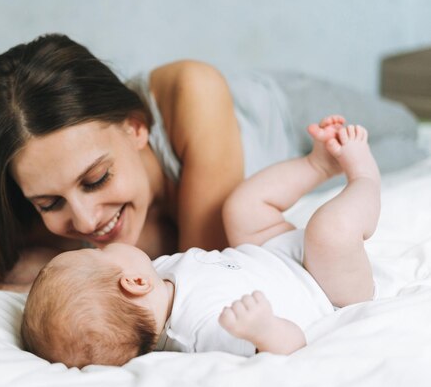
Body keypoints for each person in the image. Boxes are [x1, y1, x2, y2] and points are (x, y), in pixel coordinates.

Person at [0, 33, 422, 290]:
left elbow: (205, 261)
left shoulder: (189, 89)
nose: (84, 219)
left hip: (296, 119)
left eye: (96, 178)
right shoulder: (48, 215)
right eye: (49, 202)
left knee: (410, 134)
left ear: (135, 126)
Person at [21, 116, 380, 368]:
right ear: (132, 282)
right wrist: (263, 329)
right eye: (100, 256)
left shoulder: (157, 278)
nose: (95, 238)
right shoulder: (201, 330)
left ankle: (318, 164)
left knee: (239, 208)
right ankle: (363, 176)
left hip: (274, 255)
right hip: (324, 288)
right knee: (328, 232)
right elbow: (290, 348)